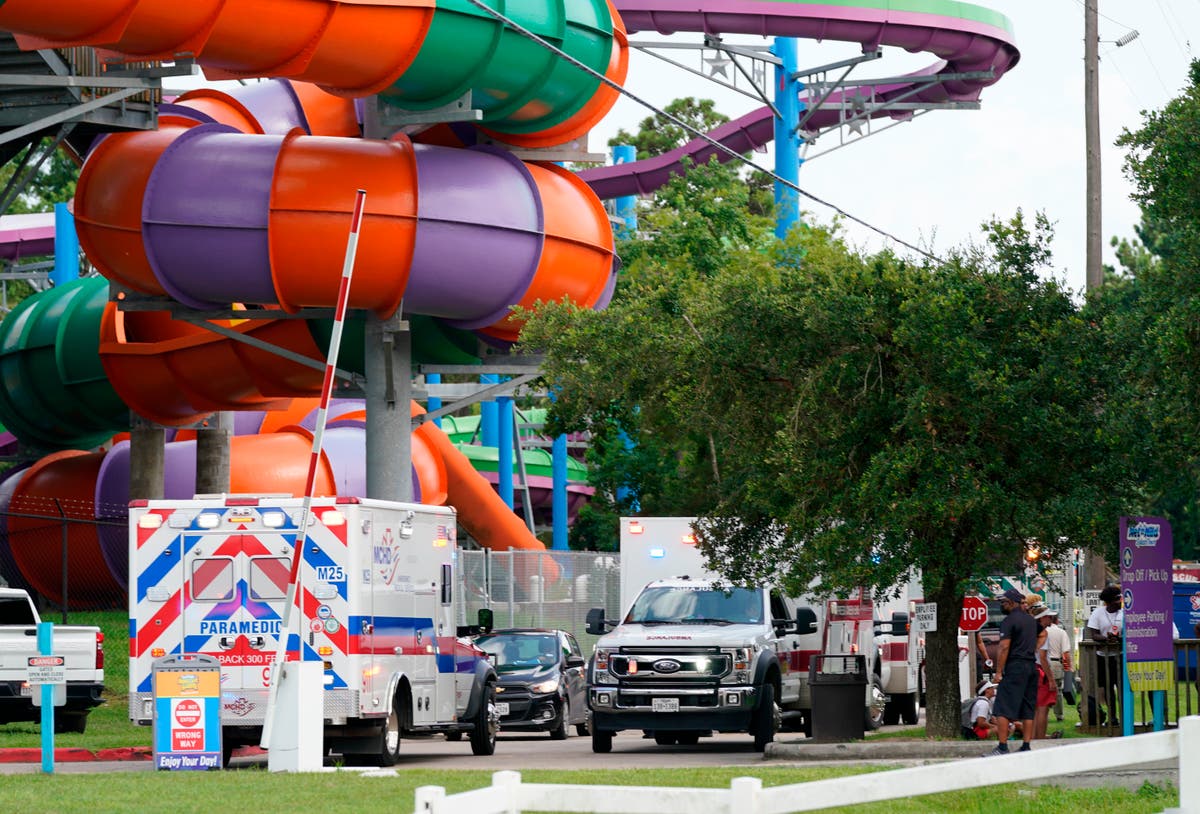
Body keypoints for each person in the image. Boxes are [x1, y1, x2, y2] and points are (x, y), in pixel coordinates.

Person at [988, 587, 1038, 755]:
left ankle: (1002, 747)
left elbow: (1004, 647)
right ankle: (1026, 745)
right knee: (1027, 708)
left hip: (1016, 666)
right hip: (1031, 666)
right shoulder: (1031, 620)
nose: (1002, 605)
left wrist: (999, 671)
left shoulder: (1009, 621)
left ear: (1012, 603)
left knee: (1002, 707)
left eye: (1003, 602)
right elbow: (1043, 634)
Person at [1085, 584, 1123, 728]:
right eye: (1117, 599)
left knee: (1122, 687)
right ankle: (1112, 717)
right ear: (1109, 601)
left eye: (1120, 598)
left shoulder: (1124, 613)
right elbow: (1093, 633)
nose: (1120, 601)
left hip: (1120, 655)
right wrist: (1106, 639)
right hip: (1103, 656)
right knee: (1108, 688)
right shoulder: (1098, 613)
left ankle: (1124, 715)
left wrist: (1119, 638)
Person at [1032, 606, 1059, 739]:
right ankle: (1041, 737)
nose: (1051, 619)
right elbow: (1042, 657)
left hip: (1030, 669)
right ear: (1042, 618)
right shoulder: (1043, 633)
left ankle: (1033, 737)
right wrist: (1051, 679)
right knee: (1043, 707)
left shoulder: (1029, 631)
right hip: (1040, 671)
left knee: (1035, 708)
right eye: (1049, 616)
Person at [1043, 610, 1072, 722]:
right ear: (1057, 620)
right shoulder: (1061, 632)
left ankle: (1043, 713)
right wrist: (1067, 667)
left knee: (1042, 689)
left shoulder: (1041, 631)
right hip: (1055, 663)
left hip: (1042, 662)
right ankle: (1059, 715)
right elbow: (1066, 653)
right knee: (1057, 690)